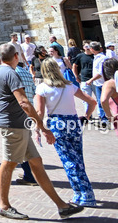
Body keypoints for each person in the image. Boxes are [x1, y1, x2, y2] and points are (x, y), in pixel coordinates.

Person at [0, 42, 83, 220]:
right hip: (13, 125)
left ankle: (62, 206)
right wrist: (42, 127)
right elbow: (24, 102)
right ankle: (3, 205)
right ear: (16, 56)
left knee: (36, 162)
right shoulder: (11, 73)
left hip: (16, 125)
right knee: (9, 163)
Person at [33, 58, 97, 208]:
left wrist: (38, 129)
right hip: (73, 122)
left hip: (58, 124)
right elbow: (92, 102)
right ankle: (79, 193)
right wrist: (86, 116)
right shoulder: (69, 86)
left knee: (68, 161)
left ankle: (85, 193)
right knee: (77, 159)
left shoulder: (42, 88)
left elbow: (39, 112)